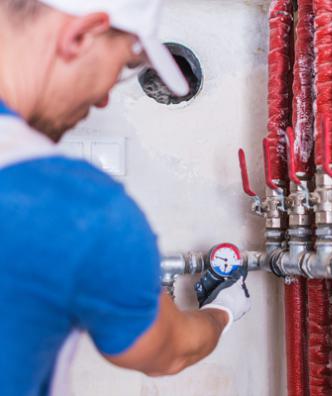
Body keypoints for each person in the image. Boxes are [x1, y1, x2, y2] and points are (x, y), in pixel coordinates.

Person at [0, 1, 251, 395]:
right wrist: (226, 310)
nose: (102, 101)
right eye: (118, 70)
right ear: (80, 36)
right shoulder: (77, 208)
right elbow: (169, 353)